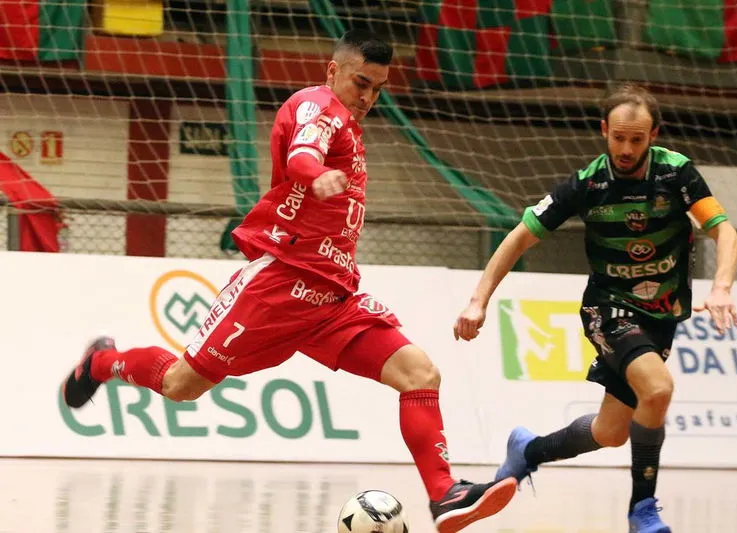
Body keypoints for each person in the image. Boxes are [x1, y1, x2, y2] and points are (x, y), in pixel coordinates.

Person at [61, 28, 516, 533]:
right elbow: (304, 152)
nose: (368, 97)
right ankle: (101, 362)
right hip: (278, 286)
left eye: (378, 88)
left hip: (332, 297)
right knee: (181, 385)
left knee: (420, 373)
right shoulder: (318, 106)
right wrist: (313, 173)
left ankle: (444, 496)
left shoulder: (352, 125)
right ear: (332, 71)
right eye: (361, 82)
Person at [453, 84, 737, 533]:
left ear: (654, 135)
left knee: (610, 432)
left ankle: (527, 451)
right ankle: (642, 510)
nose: (627, 149)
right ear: (604, 130)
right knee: (658, 390)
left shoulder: (677, 174)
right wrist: (478, 300)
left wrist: (721, 286)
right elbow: (519, 237)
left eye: (638, 139)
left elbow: (723, 230)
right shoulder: (586, 184)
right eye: (619, 137)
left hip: (661, 315)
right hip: (609, 309)